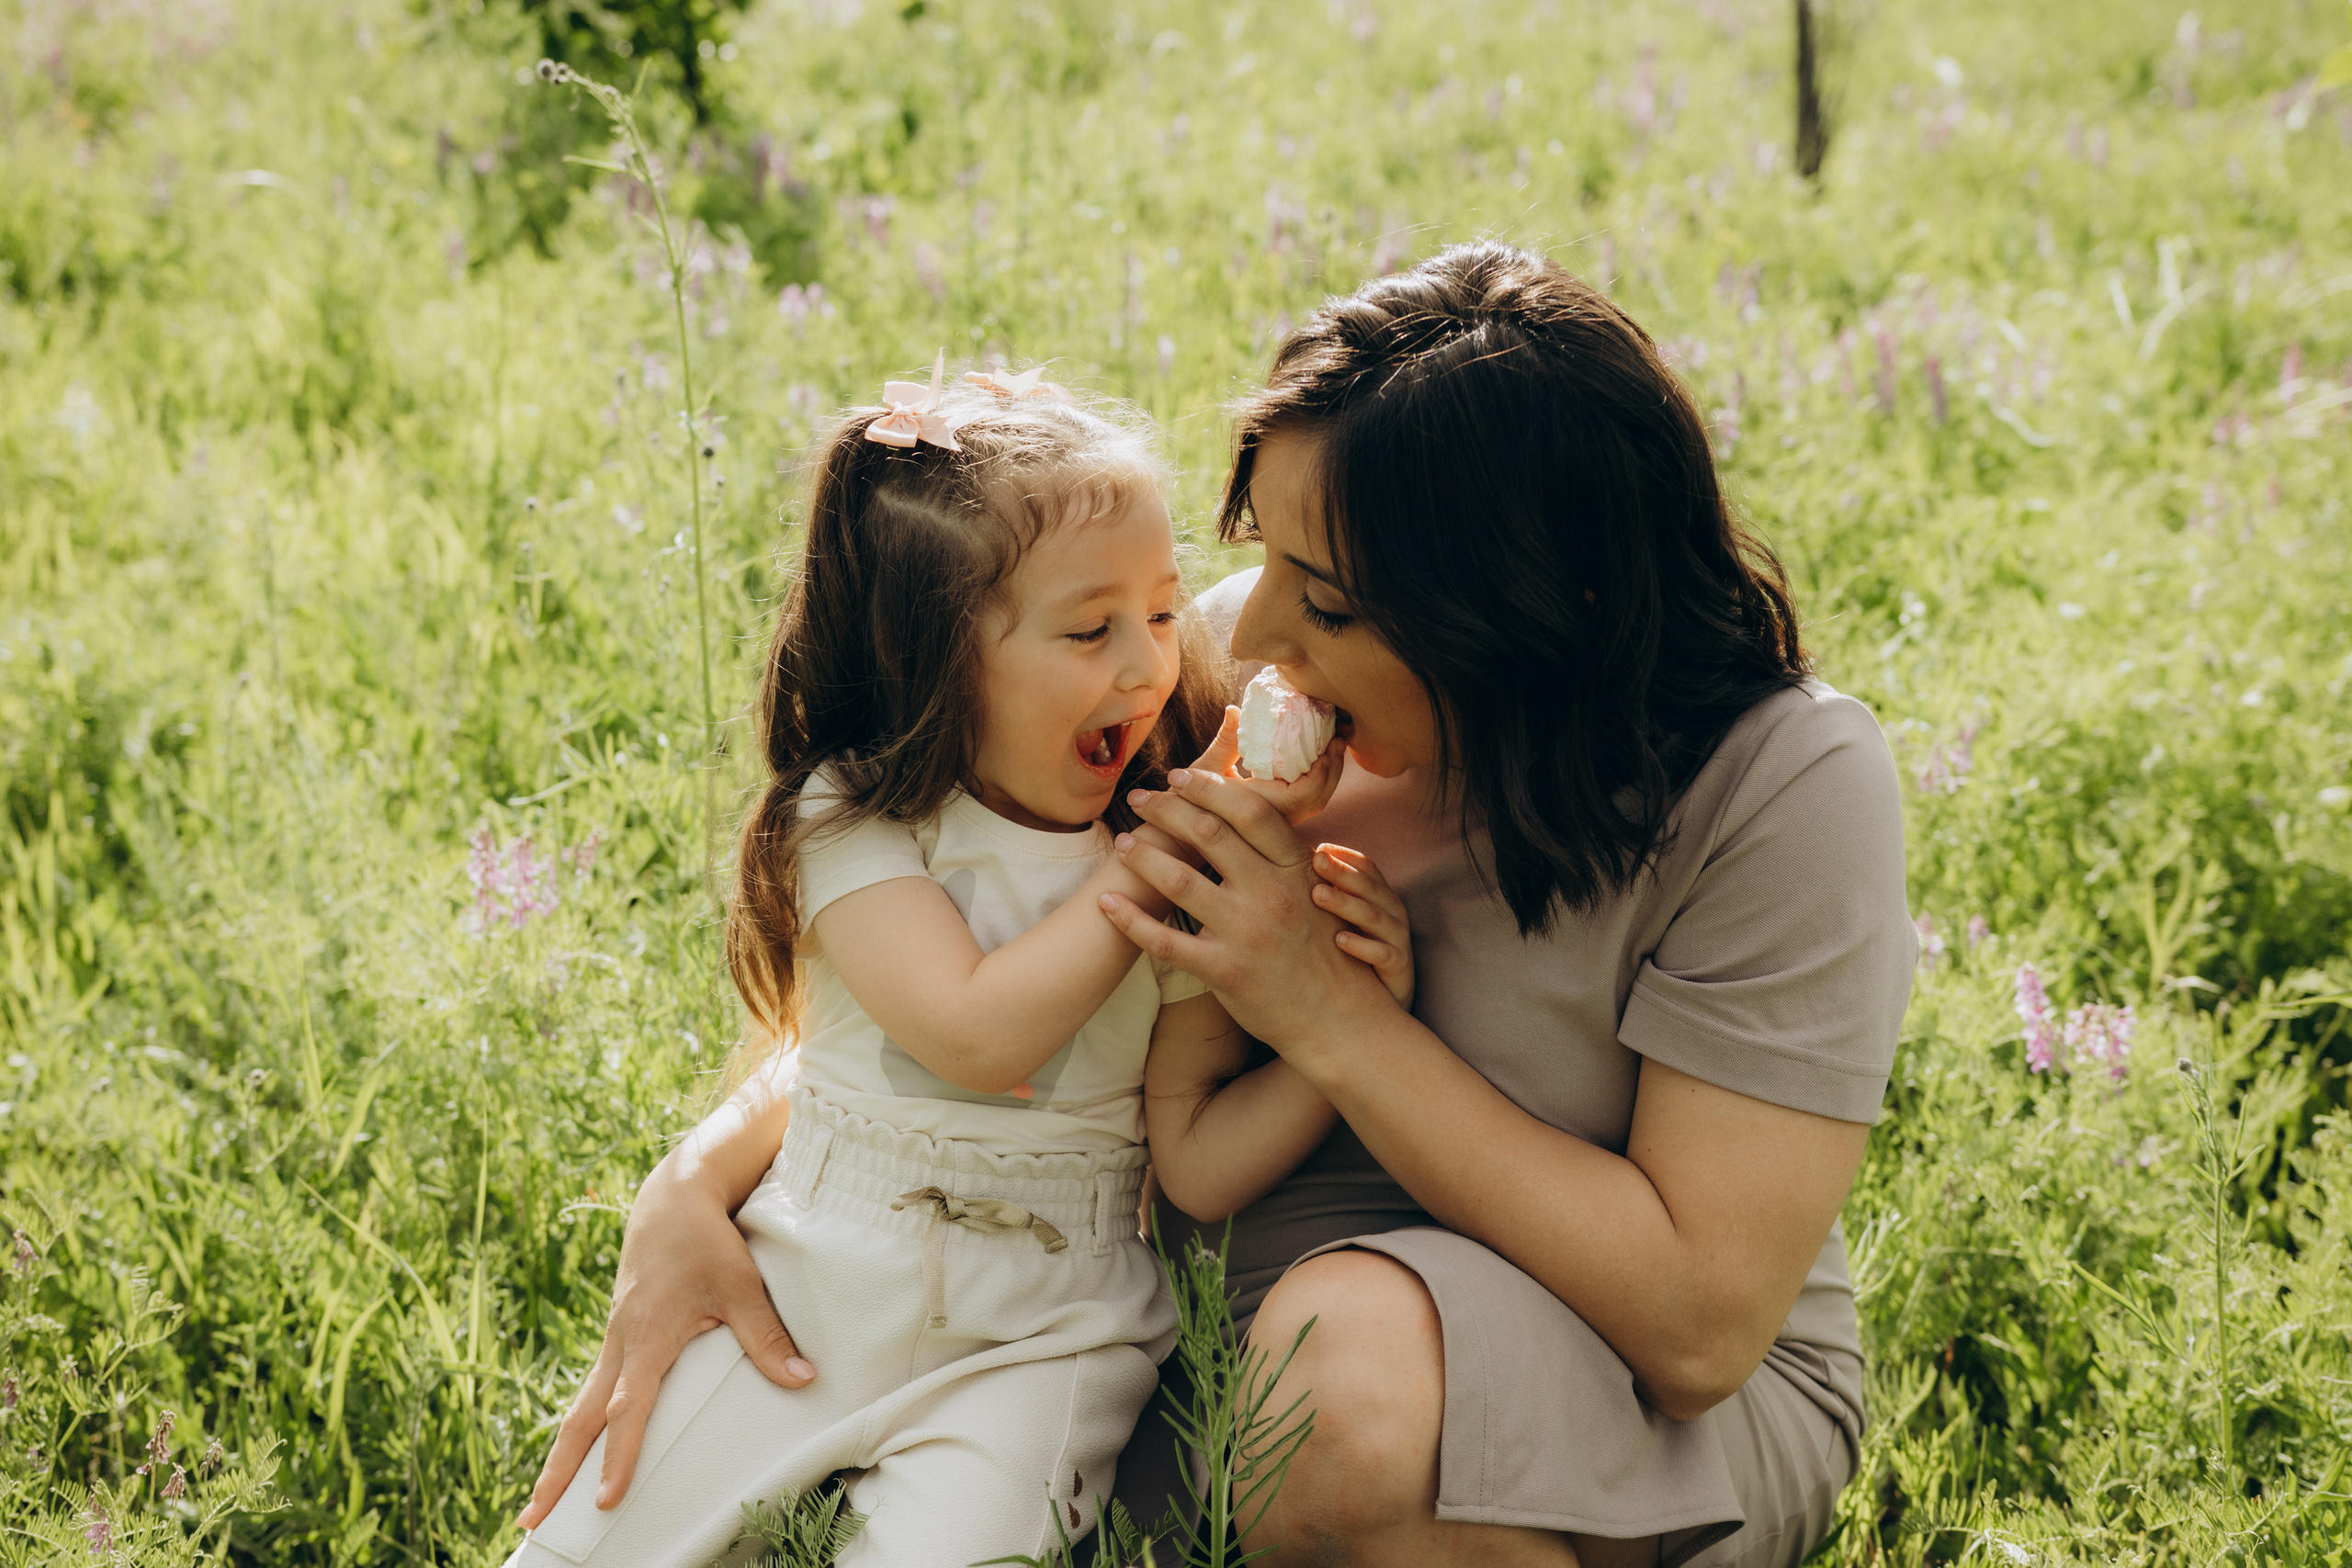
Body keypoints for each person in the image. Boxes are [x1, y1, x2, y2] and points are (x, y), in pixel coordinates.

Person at [522, 244, 1915, 1568]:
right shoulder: (1236, 687)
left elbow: (1697, 1327)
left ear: (1533, 610)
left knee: (1339, 1375)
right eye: (1264, 562)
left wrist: (1328, 1016)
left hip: (1615, 1410)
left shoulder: (1779, 780)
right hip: (1143, 1351)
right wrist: (696, 1182)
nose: (1242, 632)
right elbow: (954, 956)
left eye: (1324, 596)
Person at [506, 357, 1388, 1568]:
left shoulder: (1167, 858)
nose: (1145, 668)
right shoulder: (857, 826)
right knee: (601, 1548)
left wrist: (1345, 1029)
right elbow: (973, 1033)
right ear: (932, 658)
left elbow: (1193, 1159)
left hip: (1053, 1331)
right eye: (1090, 629)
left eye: (1164, 614)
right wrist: (1143, 875)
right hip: (822, 1269)